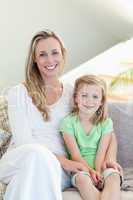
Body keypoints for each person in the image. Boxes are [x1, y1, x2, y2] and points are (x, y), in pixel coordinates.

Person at [0, 30, 122, 200]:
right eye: (42, 54)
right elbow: (24, 143)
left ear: (63, 55)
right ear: (34, 59)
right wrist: (70, 163)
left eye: (55, 53)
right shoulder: (18, 93)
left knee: (31, 177)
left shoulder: (74, 93)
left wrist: (108, 159)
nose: (50, 60)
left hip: (56, 168)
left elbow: (104, 127)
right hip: (20, 159)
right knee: (37, 156)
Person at [60, 75, 122, 200]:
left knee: (114, 177)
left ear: (101, 102)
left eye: (95, 97)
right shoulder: (68, 123)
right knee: (83, 180)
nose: (89, 101)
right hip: (80, 169)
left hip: (102, 166)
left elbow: (101, 152)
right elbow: (75, 155)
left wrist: (98, 172)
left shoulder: (106, 123)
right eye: (84, 96)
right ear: (76, 98)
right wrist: (90, 172)